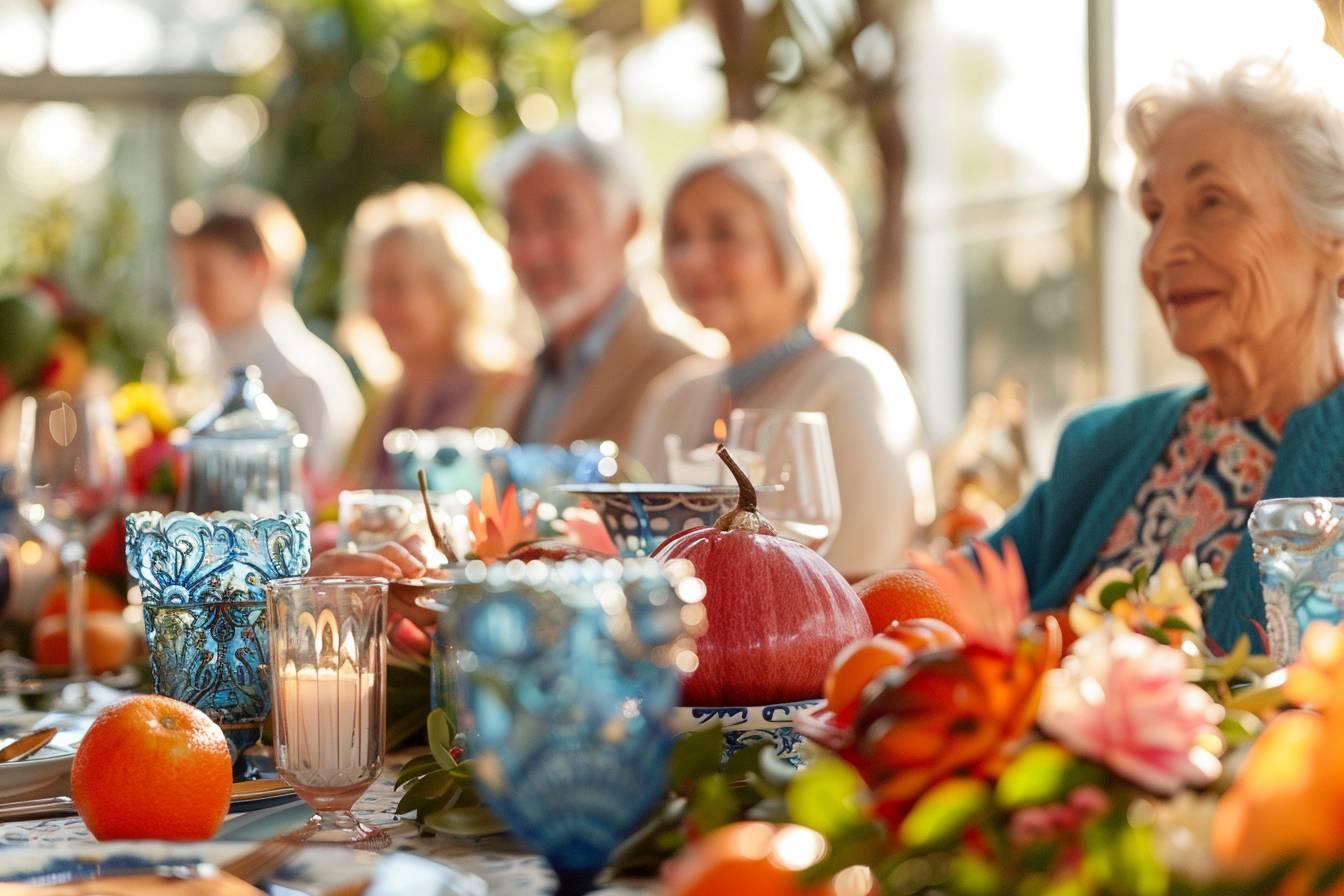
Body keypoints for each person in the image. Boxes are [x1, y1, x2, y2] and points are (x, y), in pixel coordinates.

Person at [986, 56, 1344, 660]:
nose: (1160, 250)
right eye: (1155, 214)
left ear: (1332, 241)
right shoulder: (1099, 445)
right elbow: (930, 606)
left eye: (1212, 202)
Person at [629, 125, 929, 578]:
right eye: (679, 237)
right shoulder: (671, 398)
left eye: (724, 233)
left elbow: (865, 580)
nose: (691, 258)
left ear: (796, 242)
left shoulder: (854, 381)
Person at [478, 126, 706, 450]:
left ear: (629, 224)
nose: (532, 250)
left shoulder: (683, 371)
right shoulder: (521, 379)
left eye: (557, 219)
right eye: (516, 224)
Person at [340, 183, 538, 486]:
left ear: (451, 291)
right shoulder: (382, 402)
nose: (376, 307)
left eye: (395, 287)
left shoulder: (509, 390)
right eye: (370, 287)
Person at [173, 187, 364, 477]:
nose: (191, 294)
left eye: (205, 276)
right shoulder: (199, 359)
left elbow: (321, 494)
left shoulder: (303, 377)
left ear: (256, 269)